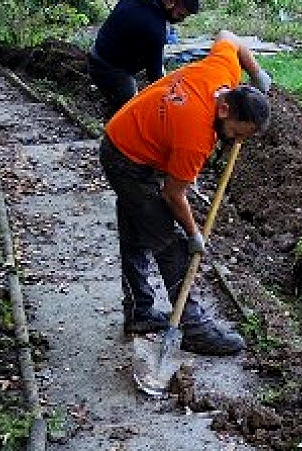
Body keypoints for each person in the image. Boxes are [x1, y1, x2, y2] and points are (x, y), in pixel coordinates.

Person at [99, 30, 272, 356]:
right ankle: (194, 328)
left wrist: (256, 71)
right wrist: (194, 233)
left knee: (137, 231)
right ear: (223, 110)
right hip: (125, 158)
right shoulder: (195, 136)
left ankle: (139, 312)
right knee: (169, 241)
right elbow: (173, 194)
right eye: (236, 133)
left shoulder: (223, 73)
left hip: (127, 137)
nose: (235, 142)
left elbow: (229, 37)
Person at [88, 0, 199, 118]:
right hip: (110, 69)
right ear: (170, 2)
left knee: (119, 98)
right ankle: (114, 124)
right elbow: (154, 75)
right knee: (131, 112)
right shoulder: (155, 28)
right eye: (180, 15)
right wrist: (171, 94)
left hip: (95, 54)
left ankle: (113, 109)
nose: (181, 20)